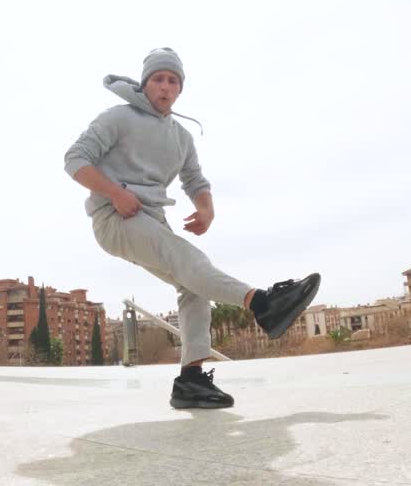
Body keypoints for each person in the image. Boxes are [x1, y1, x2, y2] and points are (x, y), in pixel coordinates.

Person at [64, 47, 321, 409]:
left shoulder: (182, 137)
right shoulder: (118, 117)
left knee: (193, 286)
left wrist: (206, 209)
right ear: (145, 83)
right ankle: (263, 303)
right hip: (114, 218)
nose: (165, 86)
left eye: (173, 80)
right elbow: (75, 159)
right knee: (190, 259)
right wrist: (114, 192)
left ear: (180, 88)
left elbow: (196, 181)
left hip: (152, 221)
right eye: (158, 79)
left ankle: (191, 379)